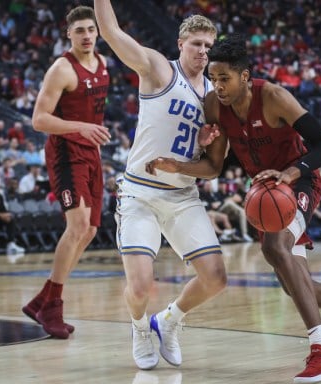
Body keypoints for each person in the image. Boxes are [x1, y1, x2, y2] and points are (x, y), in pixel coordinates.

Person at [148, 35, 321, 383]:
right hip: (266, 192)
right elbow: (214, 167)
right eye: (214, 78)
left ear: (245, 76)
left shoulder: (273, 97)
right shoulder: (215, 105)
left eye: (225, 78)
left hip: (299, 183)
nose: (218, 86)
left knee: (274, 247)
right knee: (295, 286)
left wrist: (291, 172)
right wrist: (178, 165)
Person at [95, 0, 227, 371]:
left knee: (216, 278)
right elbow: (112, 33)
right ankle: (139, 327)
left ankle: (168, 320)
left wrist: (200, 146)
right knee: (139, 288)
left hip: (184, 194)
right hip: (141, 192)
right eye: (196, 43)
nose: (202, 52)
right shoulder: (158, 70)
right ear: (181, 42)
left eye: (207, 45)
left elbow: (211, 166)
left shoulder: (214, 97)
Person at [20, 5, 111, 339]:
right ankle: (53, 306)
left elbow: (93, 117)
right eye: (80, 31)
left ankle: (43, 300)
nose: (86, 36)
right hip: (64, 151)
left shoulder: (103, 66)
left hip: (91, 153)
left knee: (89, 232)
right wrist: (82, 128)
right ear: (68, 34)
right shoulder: (61, 69)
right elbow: (39, 119)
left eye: (91, 29)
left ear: (98, 32)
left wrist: (93, 135)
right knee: (77, 227)